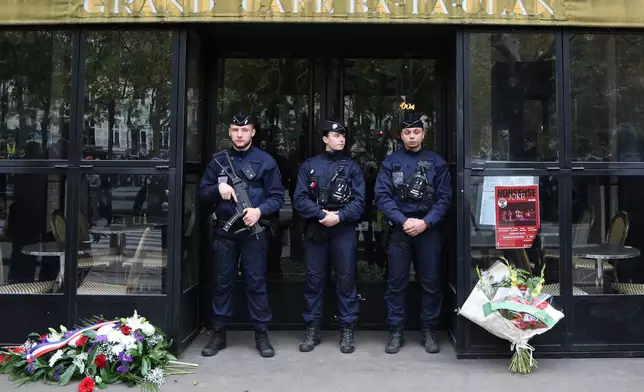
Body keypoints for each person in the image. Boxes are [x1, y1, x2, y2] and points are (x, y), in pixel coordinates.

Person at [198, 111, 285, 358]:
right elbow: (202, 194)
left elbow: (277, 197)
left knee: (256, 282)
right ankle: (219, 334)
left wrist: (259, 211)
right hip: (225, 230)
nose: (239, 134)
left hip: (252, 231)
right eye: (235, 130)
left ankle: (261, 334)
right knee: (222, 283)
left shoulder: (266, 161)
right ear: (229, 131)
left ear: (253, 132)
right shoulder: (217, 162)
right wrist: (218, 188)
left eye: (245, 130)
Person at [374, 112, 452, 355]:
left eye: (416, 132)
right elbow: (382, 197)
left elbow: (444, 198)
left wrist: (426, 223)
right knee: (396, 283)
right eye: (407, 132)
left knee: (430, 282)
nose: (411, 136)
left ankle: (428, 330)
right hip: (400, 230)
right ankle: (396, 331)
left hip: (428, 230)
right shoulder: (391, 162)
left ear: (423, 134)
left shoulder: (436, 162)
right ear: (401, 135)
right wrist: (404, 220)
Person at [293, 119, 365, 354]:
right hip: (317, 229)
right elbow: (300, 199)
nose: (341, 139)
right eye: (336, 136)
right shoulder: (309, 165)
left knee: (346, 281)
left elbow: (360, 202)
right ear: (325, 139)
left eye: (343, 136)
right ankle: (312, 329)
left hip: (343, 230)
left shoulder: (352, 167)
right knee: (314, 282)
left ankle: (347, 330)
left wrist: (340, 216)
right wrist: (321, 214)